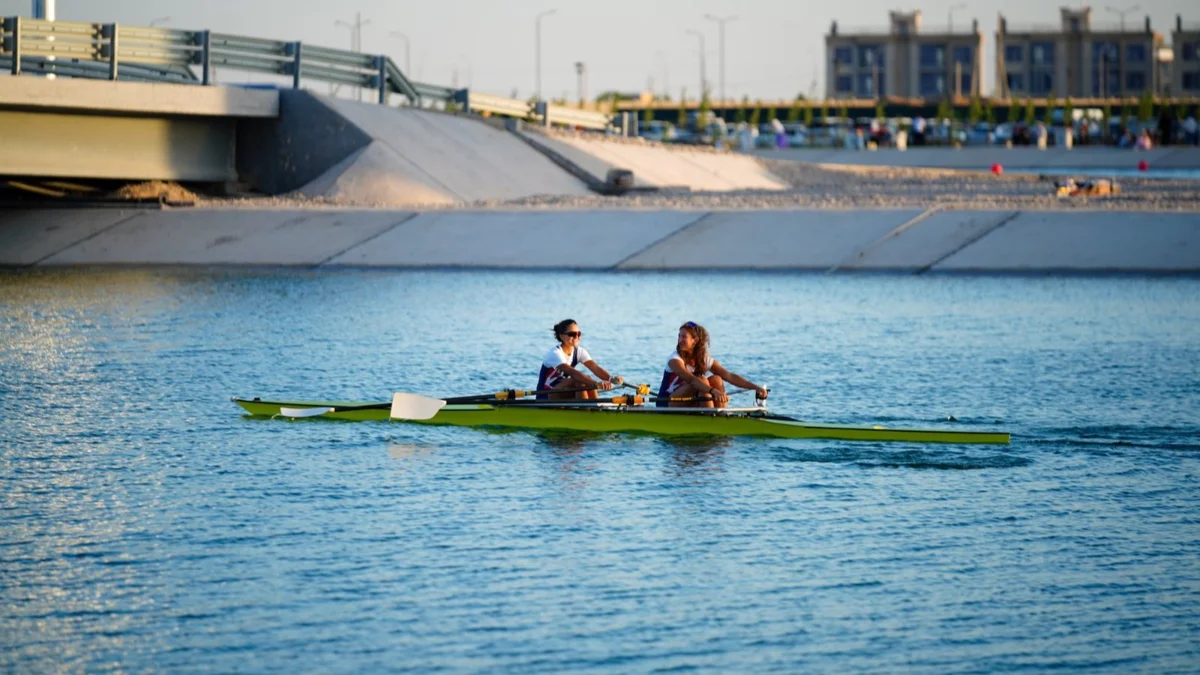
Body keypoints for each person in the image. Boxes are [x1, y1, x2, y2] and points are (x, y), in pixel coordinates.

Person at [657, 321, 768, 408]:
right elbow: (692, 380)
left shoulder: (703, 359)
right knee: (702, 381)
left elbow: (729, 376)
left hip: (689, 401)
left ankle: (721, 414)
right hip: (667, 402)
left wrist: (755, 387)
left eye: (684, 337)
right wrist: (713, 391)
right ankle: (711, 417)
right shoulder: (674, 360)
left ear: (695, 340)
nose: (680, 340)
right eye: (679, 336)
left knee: (717, 379)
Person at [536, 319, 622, 400]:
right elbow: (573, 373)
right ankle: (587, 408)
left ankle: (596, 406)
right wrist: (596, 384)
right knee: (580, 380)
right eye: (572, 334)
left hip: (562, 390)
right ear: (561, 336)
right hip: (545, 395)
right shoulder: (555, 353)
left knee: (586, 381)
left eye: (579, 334)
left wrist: (611, 379)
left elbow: (595, 368)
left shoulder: (579, 351)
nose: (576, 337)